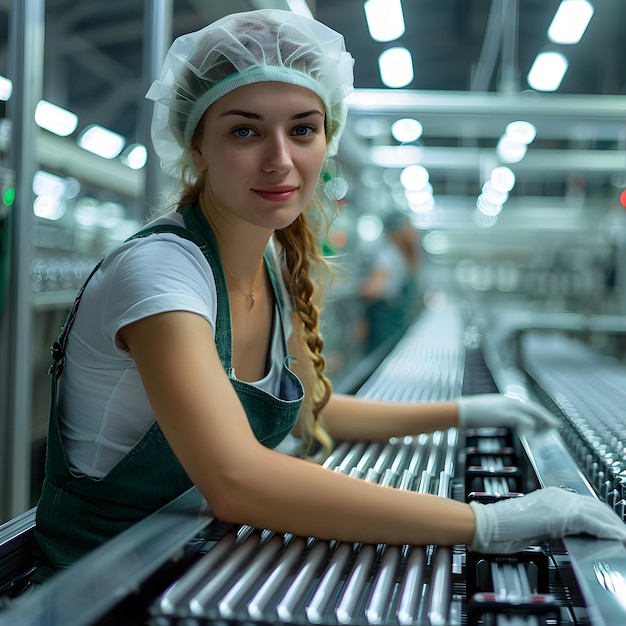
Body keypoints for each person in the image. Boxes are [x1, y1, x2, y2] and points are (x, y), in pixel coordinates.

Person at [31, 9, 626, 582]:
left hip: (192, 564)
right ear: (197, 148)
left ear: (326, 140)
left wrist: (466, 412)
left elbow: (315, 410)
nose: (280, 160)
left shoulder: (269, 265)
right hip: (101, 588)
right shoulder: (162, 274)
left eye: (303, 130)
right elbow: (237, 478)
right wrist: (484, 522)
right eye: (245, 130)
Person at [361, 211, 421, 352]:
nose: (413, 232)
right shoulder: (386, 255)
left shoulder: (396, 254)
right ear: (399, 230)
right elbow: (372, 290)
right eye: (408, 227)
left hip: (393, 326)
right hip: (384, 327)